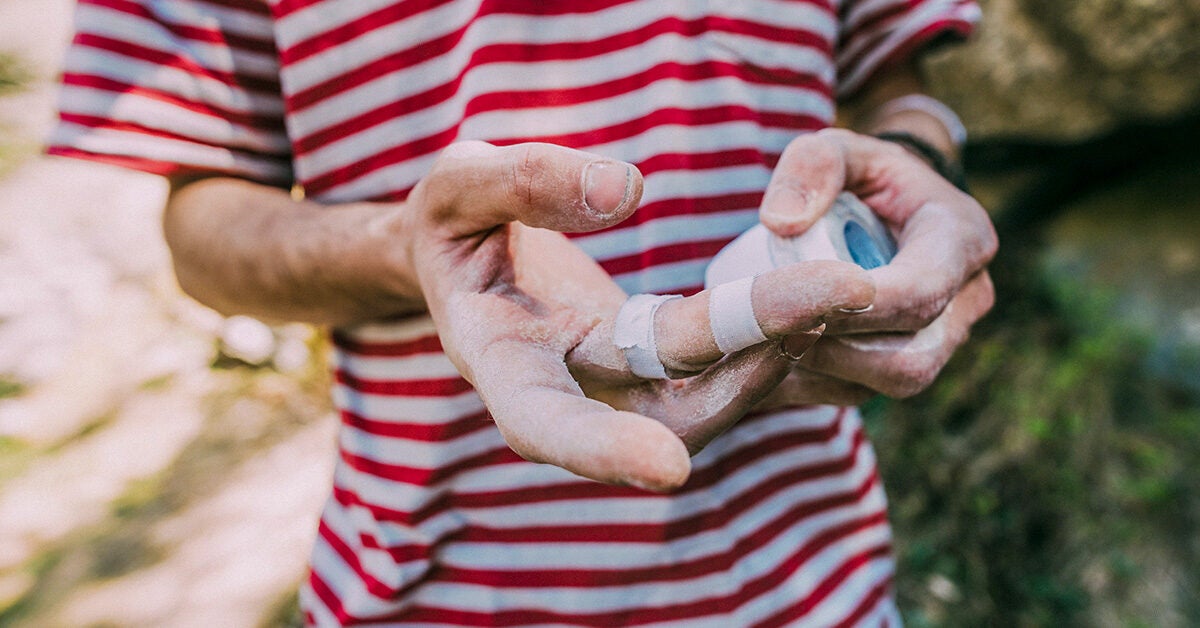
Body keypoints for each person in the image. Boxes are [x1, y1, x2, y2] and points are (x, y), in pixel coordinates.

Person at [51, 0, 996, 624]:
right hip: (437, 593)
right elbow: (203, 227)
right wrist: (408, 247)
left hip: (818, 581)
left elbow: (896, 90)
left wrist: (922, 166)